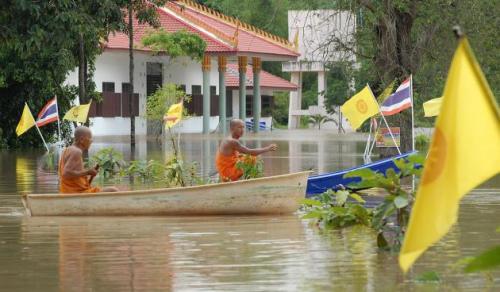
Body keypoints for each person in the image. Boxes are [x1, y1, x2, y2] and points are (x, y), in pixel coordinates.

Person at [59, 126, 118, 193]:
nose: (91, 142)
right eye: (90, 139)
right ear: (82, 140)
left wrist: (90, 174)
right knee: (113, 190)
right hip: (76, 193)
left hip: (71, 191)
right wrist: (87, 172)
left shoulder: (68, 150)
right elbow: (66, 174)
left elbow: (74, 175)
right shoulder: (76, 151)